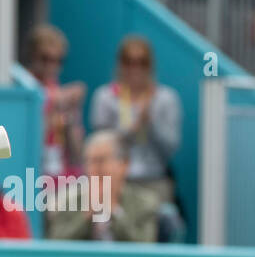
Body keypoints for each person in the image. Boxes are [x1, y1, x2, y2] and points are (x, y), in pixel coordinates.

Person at [88, 36, 181, 204]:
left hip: (154, 180)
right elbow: (101, 146)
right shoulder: (105, 97)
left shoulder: (166, 98)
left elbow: (171, 147)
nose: (135, 69)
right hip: (117, 181)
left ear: (150, 66)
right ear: (120, 64)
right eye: (129, 62)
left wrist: (151, 124)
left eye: (142, 62)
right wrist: (133, 128)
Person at [45, 130, 160, 242]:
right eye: (89, 161)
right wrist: (87, 214)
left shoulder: (145, 203)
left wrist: (113, 211)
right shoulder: (67, 200)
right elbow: (56, 244)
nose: (93, 168)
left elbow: (145, 246)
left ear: (124, 164)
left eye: (101, 161)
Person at [26, 24, 86, 179]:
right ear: (33, 56)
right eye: (45, 58)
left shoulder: (60, 91)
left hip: (60, 174)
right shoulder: (23, 88)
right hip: (31, 173)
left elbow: (77, 153)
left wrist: (71, 119)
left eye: (58, 60)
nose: (51, 66)